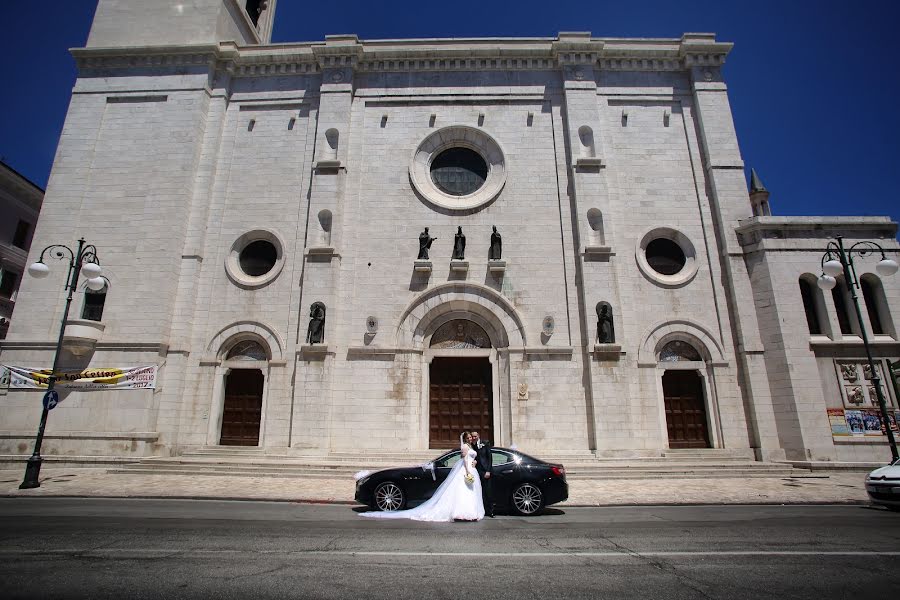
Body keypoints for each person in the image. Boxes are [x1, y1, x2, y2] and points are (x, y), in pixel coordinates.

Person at [360, 432, 484, 522]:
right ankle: (461, 513)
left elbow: (470, 458)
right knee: (462, 493)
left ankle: (469, 513)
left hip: (471, 470)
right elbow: (463, 459)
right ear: (464, 438)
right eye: (468, 437)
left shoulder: (471, 447)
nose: (470, 438)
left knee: (468, 493)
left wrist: (474, 464)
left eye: (470, 437)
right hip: (466, 470)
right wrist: (468, 471)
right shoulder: (464, 447)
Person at [471, 431, 494, 518]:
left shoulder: (485, 443)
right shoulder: (471, 446)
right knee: (478, 492)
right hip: (476, 471)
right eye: (472, 436)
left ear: (478, 436)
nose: (473, 438)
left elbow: (490, 458)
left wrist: (488, 471)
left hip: (485, 471)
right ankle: (480, 510)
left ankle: (490, 511)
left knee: (487, 491)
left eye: (475, 436)